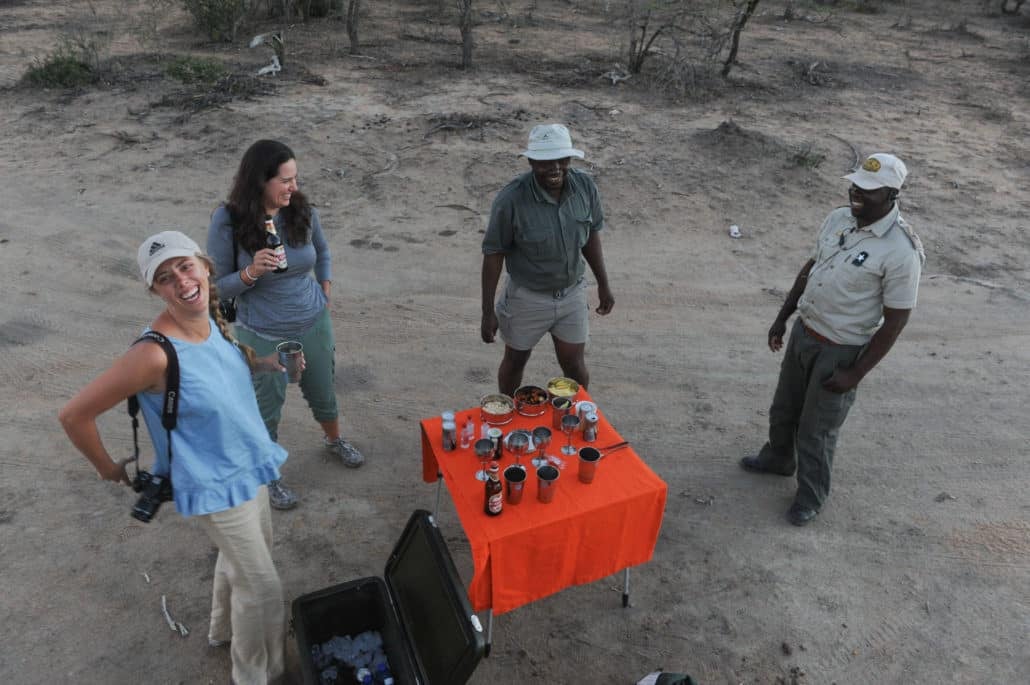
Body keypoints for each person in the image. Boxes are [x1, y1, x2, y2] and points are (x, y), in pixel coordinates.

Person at [59, 232, 290, 685]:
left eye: (185, 267)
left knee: (241, 563)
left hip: (249, 465)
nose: (180, 281)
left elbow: (222, 368)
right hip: (214, 484)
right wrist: (108, 468)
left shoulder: (210, 315)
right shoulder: (152, 354)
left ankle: (221, 631)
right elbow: (73, 415)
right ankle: (258, 675)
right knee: (262, 588)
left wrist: (265, 364)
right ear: (155, 290)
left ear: (204, 266)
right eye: (165, 278)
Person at [742, 153, 925, 526]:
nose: (857, 192)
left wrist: (855, 373)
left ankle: (811, 496)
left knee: (817, 429)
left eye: (869, 190)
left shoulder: (902, 251)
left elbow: (895, 321)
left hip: (840, 349)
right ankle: (778, 459)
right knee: (784, 408)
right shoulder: (839, 217)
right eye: (856, 184)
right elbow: (811, 267)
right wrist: (783, 317)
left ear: (892, 194)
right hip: (804, 332)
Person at [207, 139, 364, 511]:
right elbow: (214, 285)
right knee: (267, 405)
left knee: (322, 388)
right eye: (286, 180)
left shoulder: (300, 209)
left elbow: (322, 251)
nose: (294, 187)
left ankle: (334, 440)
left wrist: (324, 290)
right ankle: (269, 473)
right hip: (262, 331)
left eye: (295, 178)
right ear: (260, 181)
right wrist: (250, 272)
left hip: (313, 319)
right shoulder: (228, 221)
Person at [481, 123, 615, 395]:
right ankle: (505, 415)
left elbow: (590, 237)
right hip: (526, 298)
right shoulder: (511, 199)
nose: (554, 168)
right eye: (544, 161)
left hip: (572, 294)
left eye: (561, 159)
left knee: (575, 366)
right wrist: (487, 312)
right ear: (531, 161)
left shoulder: (585, 187)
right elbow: (494, 254)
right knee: (516, 361)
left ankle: (575, 421)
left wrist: (603, 283)